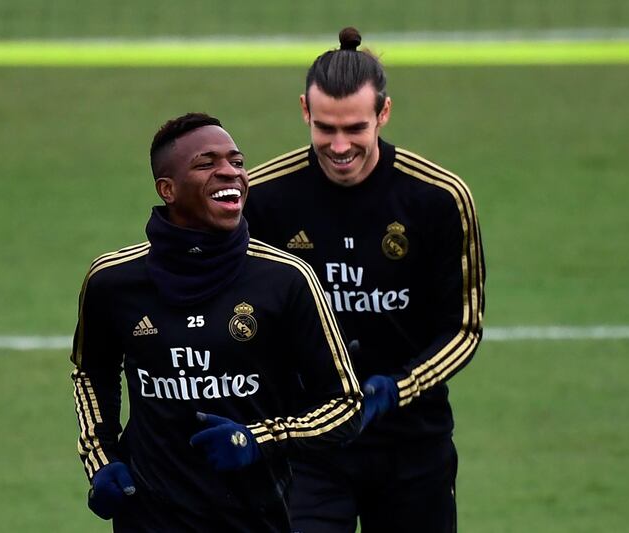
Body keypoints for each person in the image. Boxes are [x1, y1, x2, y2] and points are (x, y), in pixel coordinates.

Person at [69, 112, 362, 532]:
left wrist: (259, 439)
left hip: (255, 519)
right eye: (206, 163)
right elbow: (90, 372)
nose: (230, 172)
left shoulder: (287, 279)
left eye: (237, 162)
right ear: (167, 189)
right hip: (150, 518)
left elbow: (346, 406)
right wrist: (102, 461)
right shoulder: (112, 282)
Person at [244, 27, 485, 533]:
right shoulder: (263, 198)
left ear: (384, 113)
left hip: (412, 445)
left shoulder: (440, 199)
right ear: (305, 112)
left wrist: (399, 387)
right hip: (306, 445)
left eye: (355, 128)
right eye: (325, 128)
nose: (339, 145)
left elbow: (463, 328)